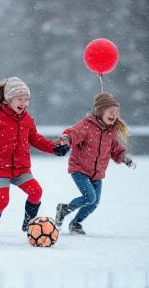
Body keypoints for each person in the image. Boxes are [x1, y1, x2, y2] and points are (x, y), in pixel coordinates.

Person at [0, 76, 69, 244]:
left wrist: (54, 148)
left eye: (26, 100)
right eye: (20, 99)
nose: (23, 103)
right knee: (2, 200)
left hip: (21, 168)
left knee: (36, 192)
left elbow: (36, 139)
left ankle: (29, 222)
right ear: (8, 99)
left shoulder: (28, 119)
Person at [54, 92, 136, 235]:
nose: (114, 115)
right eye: (111, 111)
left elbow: (115, 148)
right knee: (89, 198)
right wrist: (66, 139)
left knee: (94, 203)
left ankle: (76, 223)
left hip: (97, 173)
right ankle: (64, 209)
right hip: (79, 168)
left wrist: (123, 156)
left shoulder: (111, 131)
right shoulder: (86, 125)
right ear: (100, 111)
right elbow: (73, 133)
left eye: (116, 112)